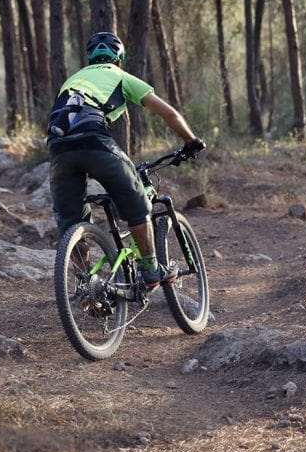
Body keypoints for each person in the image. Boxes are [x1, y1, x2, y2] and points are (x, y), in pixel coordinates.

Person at [47, 31, 205, 289]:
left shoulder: (72, 80)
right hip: (95, 142)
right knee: (137, 204)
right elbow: (168, 113)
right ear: (119, 60)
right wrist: (191, 140)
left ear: (90, 60)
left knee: (71, 222)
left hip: (58, 149)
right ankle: (151, 269)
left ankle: (86, 286)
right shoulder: (120, 76)